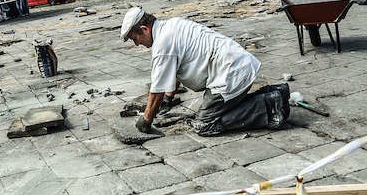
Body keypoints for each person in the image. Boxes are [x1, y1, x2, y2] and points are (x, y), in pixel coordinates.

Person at [120, 7, 290, 136]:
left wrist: (146, 120)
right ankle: (275, 92)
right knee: (218, 109)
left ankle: (269, 105)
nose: (137, 44)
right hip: (236, 64)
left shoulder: (162, 45)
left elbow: (156, 90)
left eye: (135, 39)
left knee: (204, 124)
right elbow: (174, 68)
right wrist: (169, 98)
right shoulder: (172, 25)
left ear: (144, 29)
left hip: (230, 74)